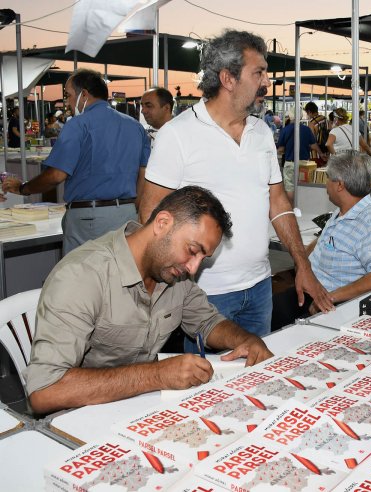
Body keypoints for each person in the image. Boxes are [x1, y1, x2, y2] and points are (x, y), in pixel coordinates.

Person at [139, 30, 333, 344]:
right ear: (228, 78)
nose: (266, 83)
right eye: (259, 73)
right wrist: (178, 282)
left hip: (259, 288)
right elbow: (151, 213)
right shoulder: (178, 134)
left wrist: (302, 264)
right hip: (205, 296)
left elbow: (278, 202)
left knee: (258, 378)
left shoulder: (261, 133)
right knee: (206, 388)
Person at [24, 186, 274, 414]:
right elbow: (45, 391)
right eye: (192, 251)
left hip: (142, 407)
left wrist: (245, 340)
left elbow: (207, 322)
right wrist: (156, 375)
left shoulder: (174, 273)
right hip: (82, 414)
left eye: (202, 259)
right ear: (162, 223)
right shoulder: (82, 276)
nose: (193, 267)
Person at [2, 69, 150, 255]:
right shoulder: (135, 126)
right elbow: (144, 173)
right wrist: (132, 207)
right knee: (120, 275)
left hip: (89, 218)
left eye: (69, 95)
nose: (68, 102)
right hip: (127, 215)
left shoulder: (79, 124)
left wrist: (23, 188)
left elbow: (56, 175)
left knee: (82, 278)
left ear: (84, 94)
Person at [272, 151, 371, 329]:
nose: (326, 185)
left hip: (333, 304)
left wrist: (329, 298)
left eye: (328, 178)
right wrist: (303, 263)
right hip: (313, 289)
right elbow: (326, 240)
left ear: (339, 185)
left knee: (271, 318)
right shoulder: (342, 211)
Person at [276, 110, 324, 201]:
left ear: (289, 117)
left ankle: (292, 208)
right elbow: (313, 145)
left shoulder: (285, 130)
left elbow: (281, 149)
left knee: (290, 187)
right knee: (303, 186)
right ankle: (303, 207)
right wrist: (321, 154)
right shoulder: (306, 129)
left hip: (290, 163)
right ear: (301, 117)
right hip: (304, 164)